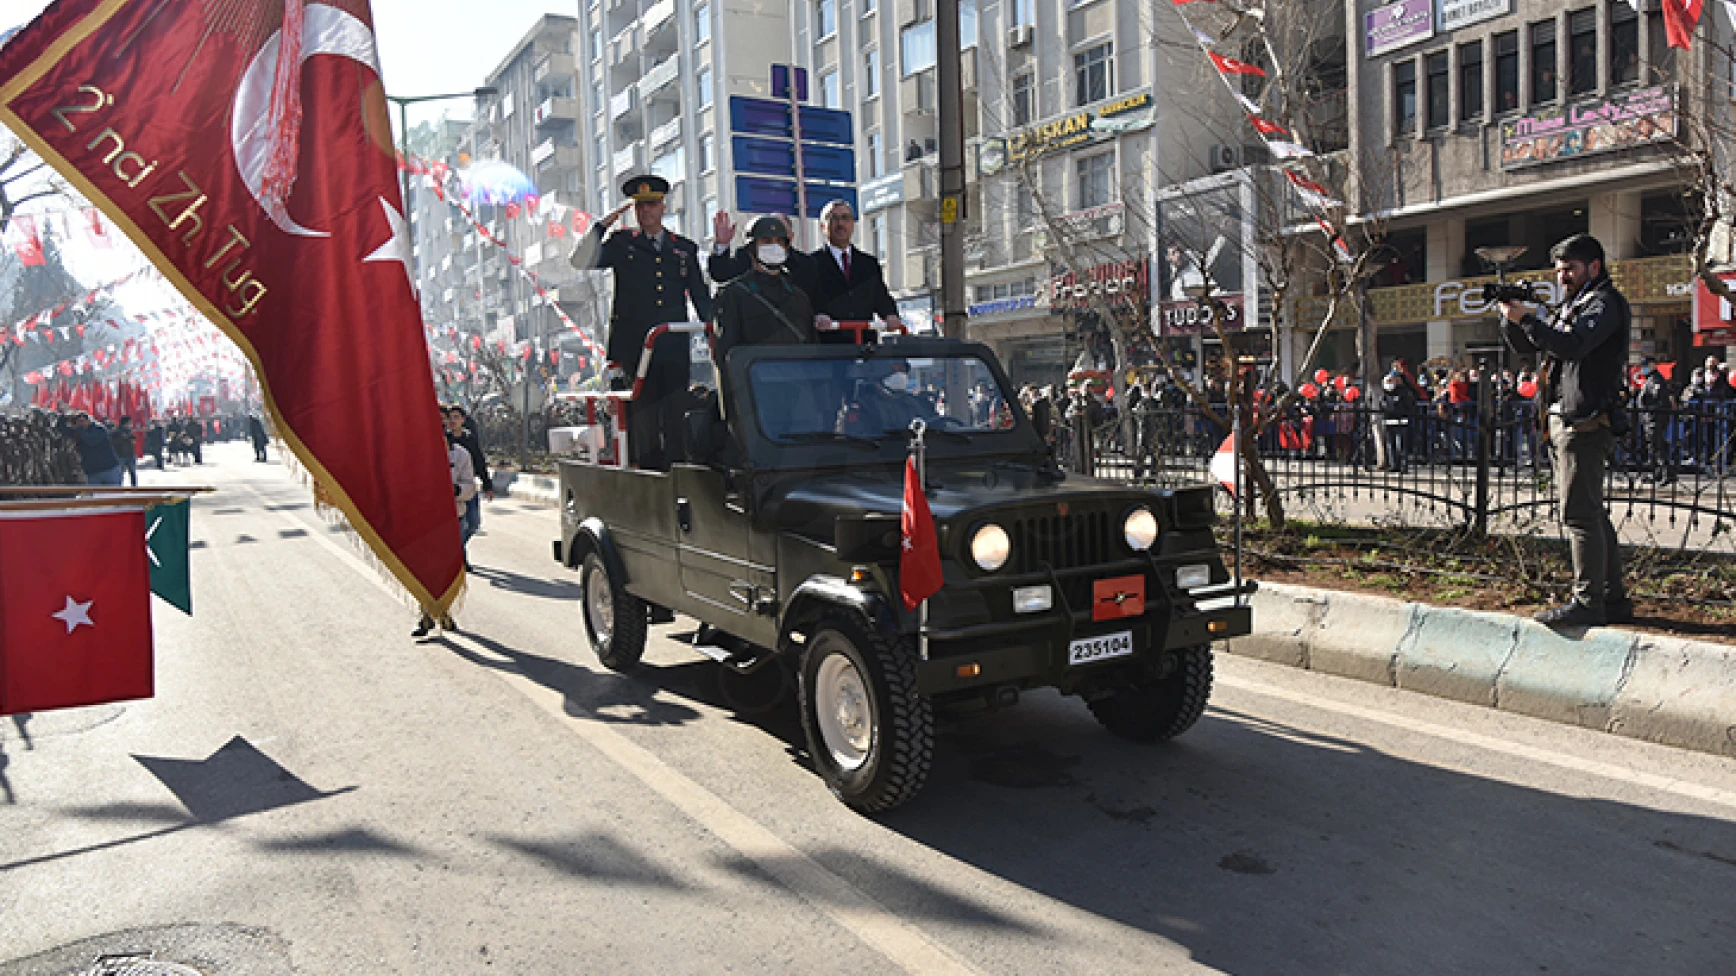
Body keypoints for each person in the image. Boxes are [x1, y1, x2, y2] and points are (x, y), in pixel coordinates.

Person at [1499, 233, 1633, 628]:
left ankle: (1588, 602)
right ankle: (1613, 598)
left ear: (1594, 266)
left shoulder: (1604, 304)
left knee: (1578, 514)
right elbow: (1534, 348)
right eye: (1559, 270)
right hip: (1568, 418)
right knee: (1590, 511)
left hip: (1588, 420)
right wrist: (1511, 317)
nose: (1563, 277)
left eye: (1570, 269)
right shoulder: (1576, 303)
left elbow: (1572, 346)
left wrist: (1527, 318)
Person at [570, 174, 713, 469]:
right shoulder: (623, 243)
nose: (645, 211)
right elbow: (580, 260)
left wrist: (713, 330)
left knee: (676, 411)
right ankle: (646, 473)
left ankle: (677, 471)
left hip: (672, 346)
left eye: (651, 205)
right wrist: (602, 225)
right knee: (641, 415)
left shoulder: (683, 248)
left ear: (663, 207)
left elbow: (700, 295)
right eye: (639, 206)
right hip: (635, 347)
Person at [710, 216, 819, 367]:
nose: (774, 246)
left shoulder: (798, 296)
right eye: (766, 241)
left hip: (797, 383)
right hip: (755, 384)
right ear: (751, 248)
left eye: (780, 241)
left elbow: (812, 350)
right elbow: (726, 357)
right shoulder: (733, 295)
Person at [415, 407, 476, 638]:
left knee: (447, 571)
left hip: (453, 519)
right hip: (425, 519)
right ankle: (426, 615)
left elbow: (470, 487)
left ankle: (444, 614)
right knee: (425, 570)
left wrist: (456, 490)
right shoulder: (416, 454)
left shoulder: (461, 455)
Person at [807, 199, 901, 341]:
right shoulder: (811, 263)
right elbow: (807, 301)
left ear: (853, 225)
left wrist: (890, 315)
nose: (840, 224)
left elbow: (880, 297)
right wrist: (819, 314)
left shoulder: (869, 263)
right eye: (833, 218)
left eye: (845, 218)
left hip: (865, 346)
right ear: (822, 226)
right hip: (828, 348)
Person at [709, 211, 816, 294]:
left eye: (779, 238)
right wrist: (722, 244)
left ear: (790, 237)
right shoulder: (746, 256)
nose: (774, 244)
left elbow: (817, 299)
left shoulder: (806, 264)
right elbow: (721, 274)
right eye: (767, 238)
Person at [446, 404, 491, 569]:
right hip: (450, 494)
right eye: (450, 418)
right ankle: (460, 556)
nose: (453, 421)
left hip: (467, 488)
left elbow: (479, 461)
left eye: (456, 417)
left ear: (463, 420)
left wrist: (488, 485)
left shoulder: (469, 440)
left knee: (473, 523)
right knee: (460, 526)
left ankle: (458, 549)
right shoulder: (445, 440)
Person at [68, 412, 123, 487]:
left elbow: (92, 440)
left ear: (89, 420)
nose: (81, 424)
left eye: (83, 421)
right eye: (78, 422)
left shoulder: (99, 429)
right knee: (95, 497)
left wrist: (79, 429)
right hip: (92, 472)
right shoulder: (77, 433)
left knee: (114, 496)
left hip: (109, 469)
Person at [110, 416, 139, 486]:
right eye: (129, 423)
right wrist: (123, 438)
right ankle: (120, 487)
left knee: (132, 472)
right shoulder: (116, 431)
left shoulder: (129, 431)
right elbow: (113, 442)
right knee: (120, 473)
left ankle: (134, 487)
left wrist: (130, 438)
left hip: (130, 454)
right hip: (120, 455)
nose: (131, 424)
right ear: (125, 423)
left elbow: (133, 438)